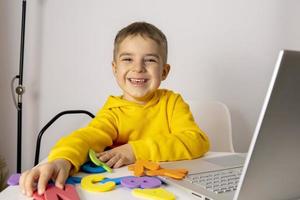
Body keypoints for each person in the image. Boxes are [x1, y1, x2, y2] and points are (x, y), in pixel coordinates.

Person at [20, 21, 210, 197]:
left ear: (164, 71)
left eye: (150, 60)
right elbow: (87, 137)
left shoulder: (172, 103)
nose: (138, 68)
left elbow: (196, 141)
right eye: (128, 59)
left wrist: (134, 151)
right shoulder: (113, 111)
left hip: (175, 190)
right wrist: (62, 159)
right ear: (115, 68)